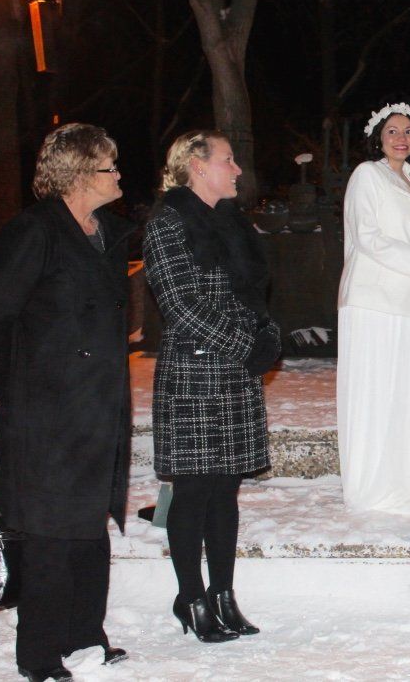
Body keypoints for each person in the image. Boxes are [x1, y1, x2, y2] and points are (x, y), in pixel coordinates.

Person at [0, 123, 132, 681]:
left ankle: (85, 633)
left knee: (88, 525)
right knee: (47, 529)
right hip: (47, 408)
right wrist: (9, 384)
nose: (118, 175)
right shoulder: (35, 231)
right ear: (80, 174)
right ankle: (39, 654)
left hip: (97, 405)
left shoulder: (109, 231)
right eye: (109, 167)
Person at [144, 130, 280, 643]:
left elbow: (253, 295)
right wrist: (246, 345)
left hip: (235, 375)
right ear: (197, 166)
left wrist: (267, 333)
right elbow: (180, 306)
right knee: (194, 491)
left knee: (227, 491)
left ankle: (223, 594)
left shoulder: (233, 223)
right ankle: (191, 597)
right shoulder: (167, 224)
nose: (238, 169)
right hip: (195, 375)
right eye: (228, 160)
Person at [336, 101, 410, 512]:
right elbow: (368, 236)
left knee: (402, 392)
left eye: (408, 132)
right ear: (378, 139)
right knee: (375, 391)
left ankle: (403, 479)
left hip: (406, 300)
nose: (401, 138)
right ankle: (371, 485)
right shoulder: (368, 176)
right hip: (373, 299)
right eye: (392, 131)